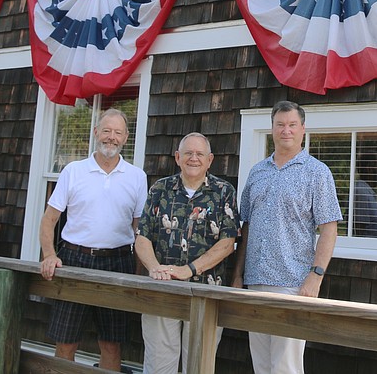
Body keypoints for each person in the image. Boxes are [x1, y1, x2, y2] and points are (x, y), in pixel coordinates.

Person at [232, 100, 343, 374]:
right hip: (255, 280)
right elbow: (246, 227)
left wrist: (316, 276)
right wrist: (238, 276)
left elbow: (329, 228)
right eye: (280, 125)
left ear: (303, 129)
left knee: (286, 367)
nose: (286, 130)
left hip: (292, 284)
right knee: (261, 364)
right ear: (272, 129)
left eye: (292, 125)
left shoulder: (317, 173)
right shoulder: (257, 172)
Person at [38, 108, 148, 372]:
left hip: (118, 262)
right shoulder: (73, 171)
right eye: (107, 130)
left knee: (111, 343)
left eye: (118, 133)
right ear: (96, 132)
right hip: (74, 260)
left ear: (125, 138)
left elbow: (140, 230)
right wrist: (50, 255)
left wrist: (140, 273)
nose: (111, 137)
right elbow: (49, 219)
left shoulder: (137, 177)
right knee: (66, 341)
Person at [134, 132, 240, 374]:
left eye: (200, 154)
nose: (194, 158)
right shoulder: (160, 189)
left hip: (206, 292)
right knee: (159, 366)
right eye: (188, 153)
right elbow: (142, 237)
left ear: (210, 159)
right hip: (162, 290)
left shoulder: (224, 191)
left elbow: (227, 242)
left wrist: (189, 270)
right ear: (177, 157)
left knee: (199, 367)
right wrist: (153, 267)